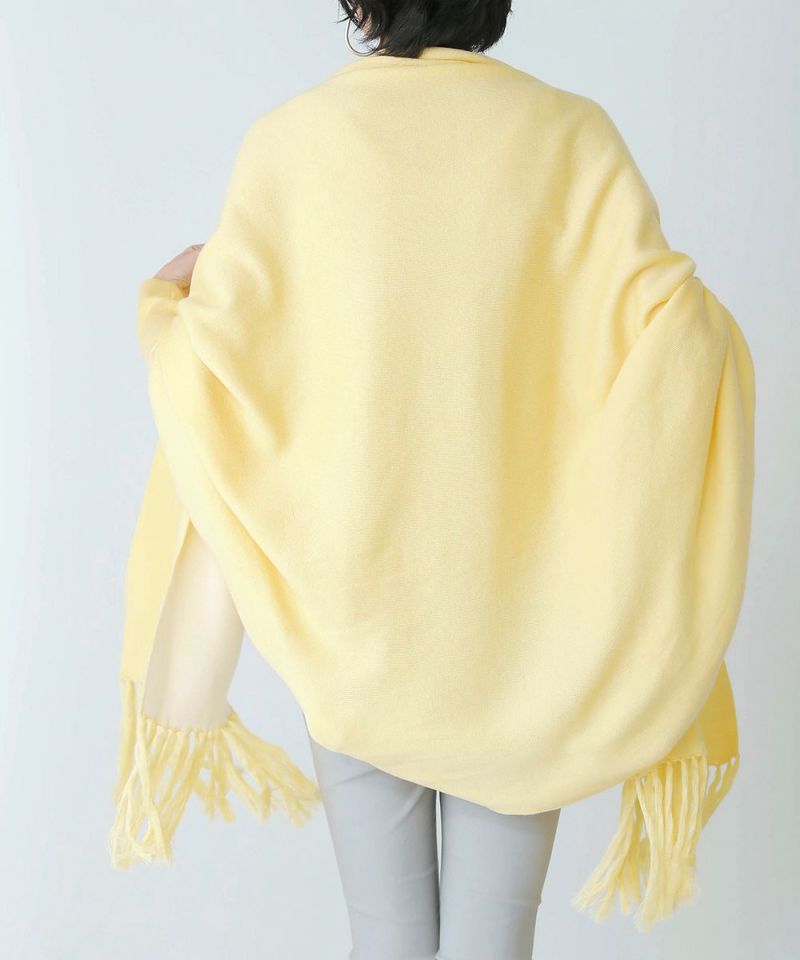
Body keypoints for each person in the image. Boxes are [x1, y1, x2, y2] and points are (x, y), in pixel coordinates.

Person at [108, 2, 756, 957]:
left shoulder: (296, 144)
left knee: (388, 942)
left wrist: (172, 303)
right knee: (497, 943)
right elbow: (675, 334)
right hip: (528, 647)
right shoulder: (574, 142)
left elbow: (225, 361)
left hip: (353, 629)